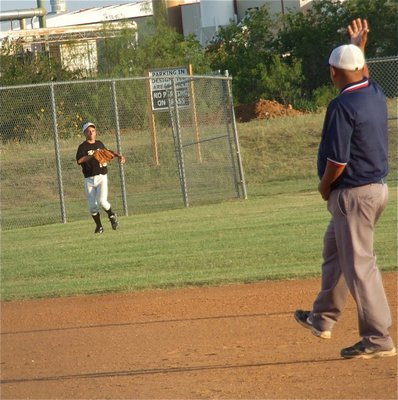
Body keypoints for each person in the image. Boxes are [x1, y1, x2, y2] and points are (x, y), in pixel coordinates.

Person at [294, 19, 396, 359]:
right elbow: (360, 70)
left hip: (352, 194)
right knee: (335, 250)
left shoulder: (341, 106)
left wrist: (324, 188)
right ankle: (322, 318)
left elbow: (337, 161)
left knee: (360, 267)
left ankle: (378, 339)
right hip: (375, 191)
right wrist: (357, 47)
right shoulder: (374, 93)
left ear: (333, 73)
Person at [76, 122, 126, 234]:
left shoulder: (99, 144)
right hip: (89, 179)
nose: (91, 133)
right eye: (88, 131)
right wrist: (92, 155)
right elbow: (79, 160)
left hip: (101, 176)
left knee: (102, 201)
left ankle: (111, 215)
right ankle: (99, 226)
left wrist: (119, 156)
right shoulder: (82, 147)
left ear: (95, 132)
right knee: (92, 206)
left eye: (93, 130)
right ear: (84, 133)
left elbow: (108, 152)